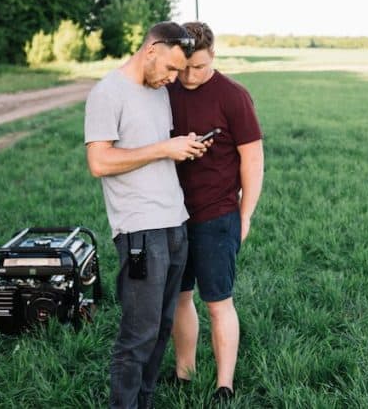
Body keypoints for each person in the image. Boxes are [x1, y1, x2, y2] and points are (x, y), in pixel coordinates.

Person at [84, 21, 210, 409]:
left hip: (175, 223)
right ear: (151, 50)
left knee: (161, 329)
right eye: (171, 68)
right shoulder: (107, 92)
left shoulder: (158, 92)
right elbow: (99, 161)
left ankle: (146, 402)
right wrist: (163, 149)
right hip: (140, 231)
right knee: (138, 335)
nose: (174, 78)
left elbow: (158, 146)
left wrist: (183, 147)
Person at [166, 22, 264, 402]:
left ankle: (225, 384)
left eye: (201, 67)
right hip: (170, 214)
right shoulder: (165, 88)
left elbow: (252, 160)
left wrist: (246, 214)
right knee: (179, 296)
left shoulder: (233, 96)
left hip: (217, 214)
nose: (190, 76)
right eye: (185, 67)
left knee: (218, 301)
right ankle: (183, 373)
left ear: (214, 58)